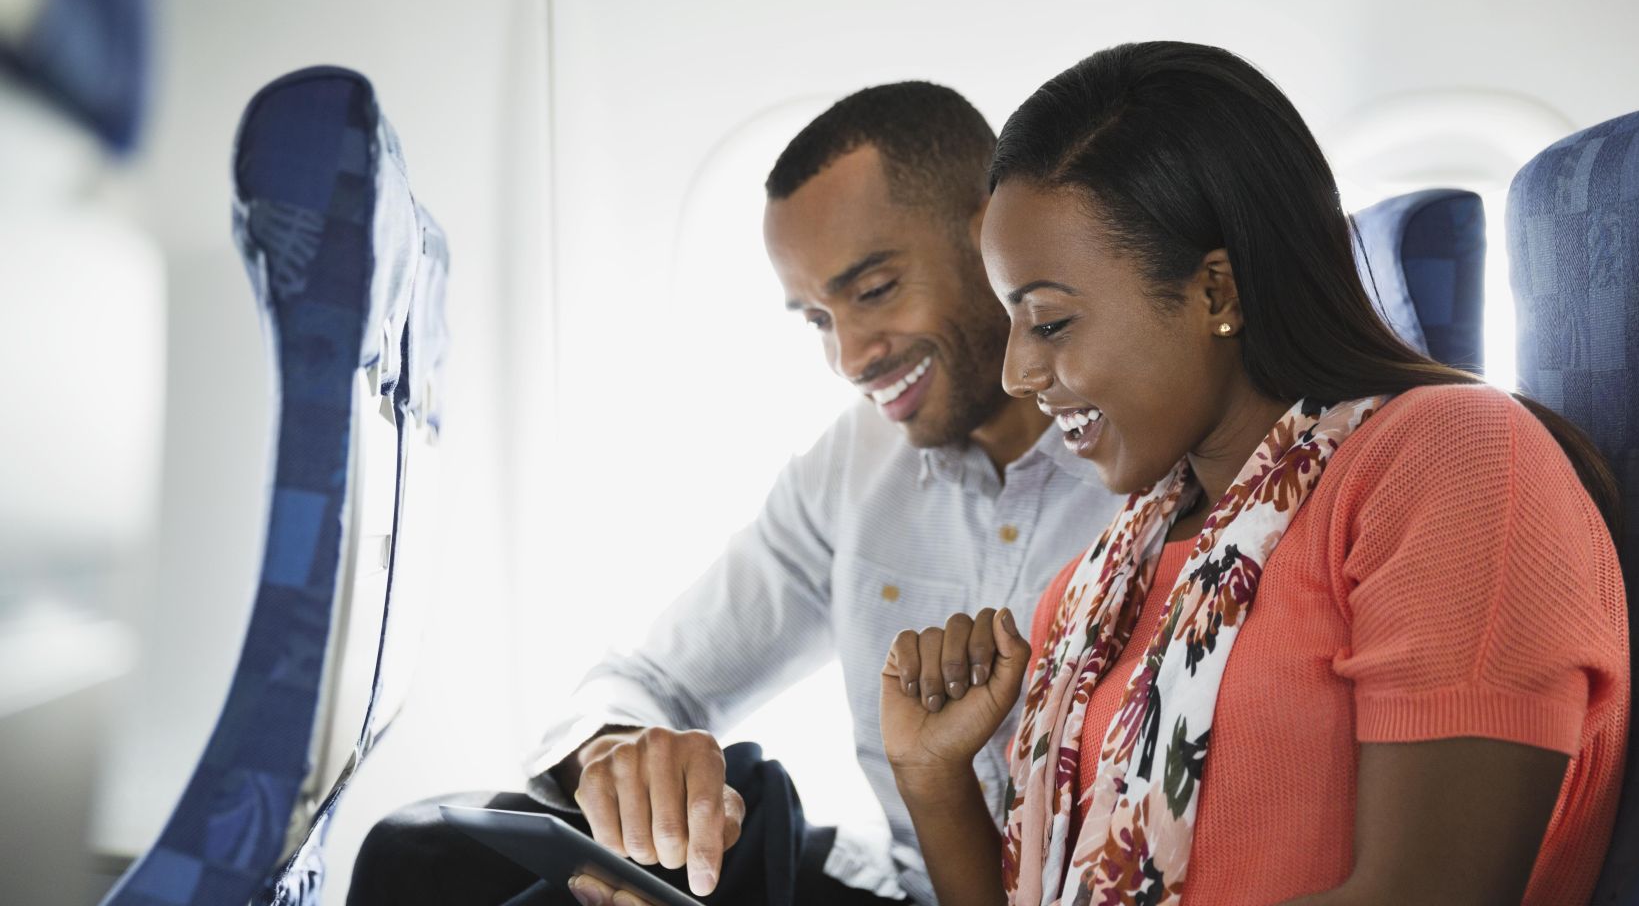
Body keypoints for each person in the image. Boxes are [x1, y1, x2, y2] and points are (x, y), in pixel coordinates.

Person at [879, 42, 1629, 906]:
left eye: (1048, 322)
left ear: (1217, 295)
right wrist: (932, 776)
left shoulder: (1448, 461)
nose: (1018, 373)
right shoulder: (1094, 585)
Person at [347, 82, 1123, 906]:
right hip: (889, 889)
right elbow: (652, 677)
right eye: (818, 319)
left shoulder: (1136, 458)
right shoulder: (853, 466)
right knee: (427, 858)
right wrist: (627, 758)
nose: (851, 357)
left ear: (990, 237)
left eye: (872, 290)